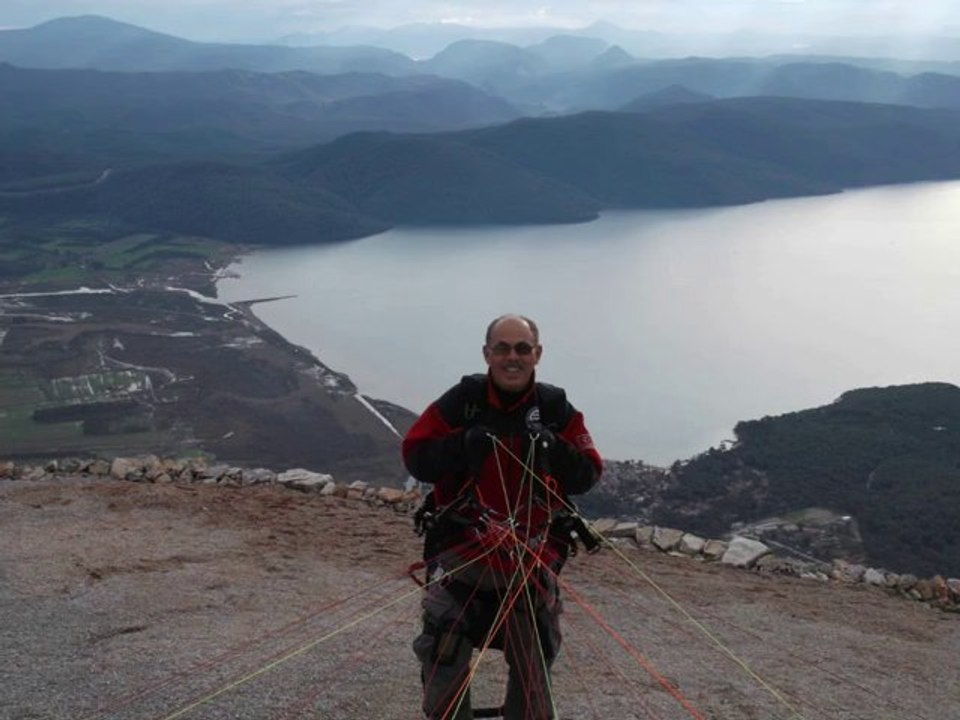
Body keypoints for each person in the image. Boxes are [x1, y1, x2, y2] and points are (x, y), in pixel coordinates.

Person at [403, 314, 602, 720]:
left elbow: (587, 472)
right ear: (487, 353)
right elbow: (416, 457)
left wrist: (553, 448)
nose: (513, 358)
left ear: (537, 354)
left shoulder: (554, 409)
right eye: (503, 348)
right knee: (445, 653)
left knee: (535, 662)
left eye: (522, 349)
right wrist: (463, 444)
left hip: (530, 563)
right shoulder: (463, 402)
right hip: (463, 559)